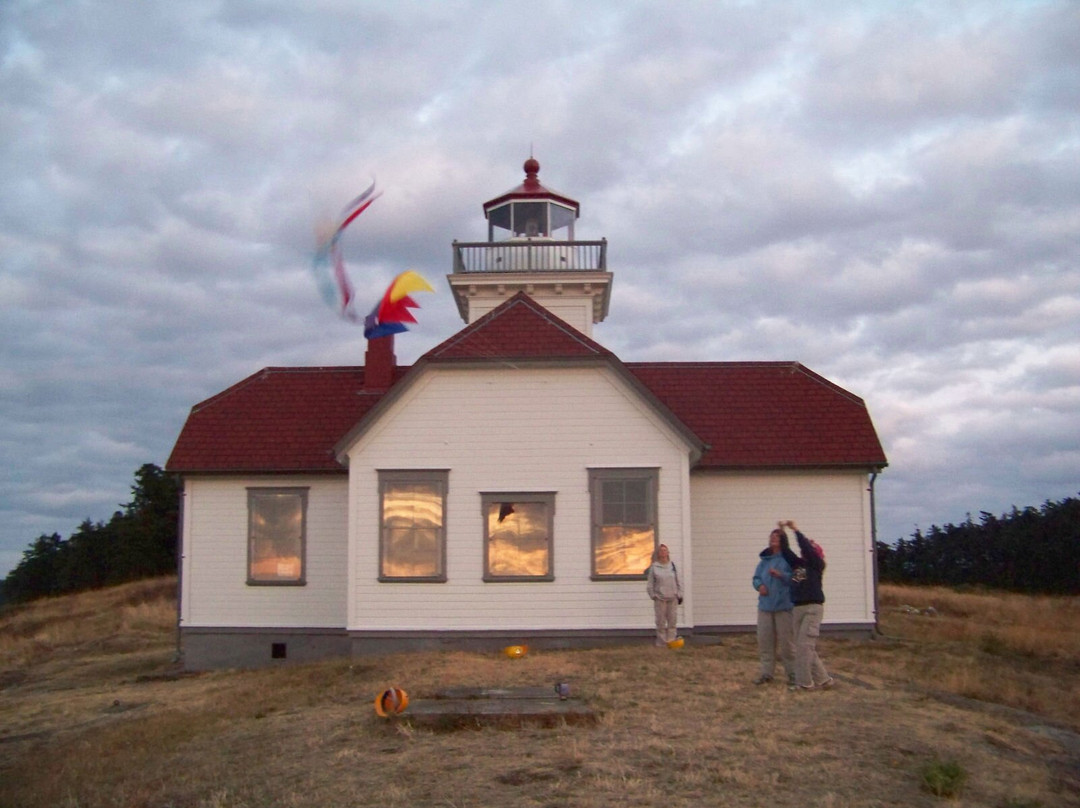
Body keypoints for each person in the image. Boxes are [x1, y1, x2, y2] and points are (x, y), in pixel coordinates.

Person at [778, 520, 834, 691]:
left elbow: (807, 548)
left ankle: (804, 683)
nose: (805, 550)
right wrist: (782, 532)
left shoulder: (817, 565)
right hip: (798, 608)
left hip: (812, 608)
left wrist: (796, 530)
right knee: (805, 646)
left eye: (809, 548)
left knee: (803, 646)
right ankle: (824, 680)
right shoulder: (798, 565)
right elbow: (786, 551)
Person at [751, 527, 795, 685]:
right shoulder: (763, 562)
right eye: (771, 537)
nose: (773, 539)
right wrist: (759, 586)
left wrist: (781, 575)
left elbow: (796, 579)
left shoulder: (788, 559)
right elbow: (755, 578)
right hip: (765, 607)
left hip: (784, 607)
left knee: (786, 644)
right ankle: (766, 673)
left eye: (777, 537)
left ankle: (793, 674)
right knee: (765, 642)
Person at [646, 544, 683, 647]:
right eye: (661, 551)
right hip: (660, 599)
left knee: (672, 621)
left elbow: (678, 580)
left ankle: (671, 641)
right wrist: (653, 595)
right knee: (660, 622)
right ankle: (661, 643)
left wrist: (679, 594)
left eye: (665, 550)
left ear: (668, 553)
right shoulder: (654, 567)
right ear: (658, 553)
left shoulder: (673, 566)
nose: (663, 552)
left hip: (672, 598)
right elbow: (650, 584)